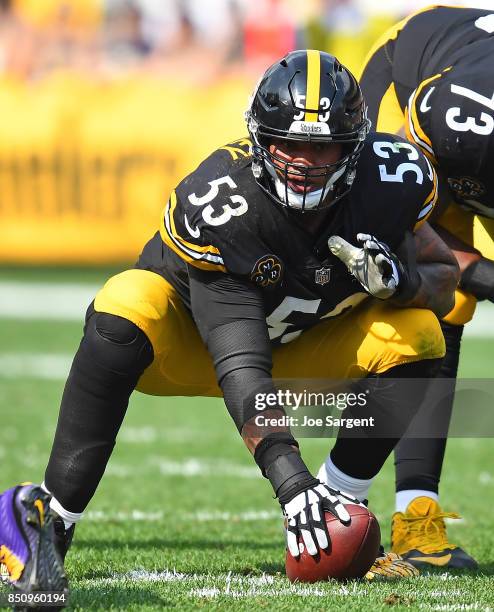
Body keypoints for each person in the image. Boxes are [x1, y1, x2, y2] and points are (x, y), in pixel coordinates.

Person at [0, 50, 459, 594]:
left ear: (354, 146)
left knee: (420, 332)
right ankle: (47, 521)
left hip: (303, 346)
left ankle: (340, 502)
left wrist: (402, 283)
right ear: (260, 139)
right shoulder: (223, 201)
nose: (303, 162)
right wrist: (291, 483)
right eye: (288, 143)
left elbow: (443, 276)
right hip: (190, 347)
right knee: (125, 303)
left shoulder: (392, 178)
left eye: (321, 146)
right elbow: (240, 362)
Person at [335, 4, 494, 569]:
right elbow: (408, 230)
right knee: (434, 300)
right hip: (419, 75)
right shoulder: (453, 116)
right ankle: (407, 515)